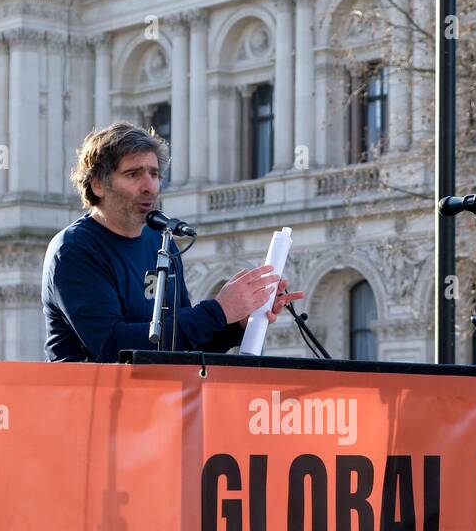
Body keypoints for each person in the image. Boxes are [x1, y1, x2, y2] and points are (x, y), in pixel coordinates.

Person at [43, 122, 304, 362]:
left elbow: (180, 346)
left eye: (154, 174)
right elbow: (113, 346)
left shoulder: (162, 241)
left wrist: (237, 322)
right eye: (133, 174)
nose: (150, 186)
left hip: (159, 404)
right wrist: (217, 311)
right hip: (93, 407)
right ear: (98, 184)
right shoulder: (74, 250)